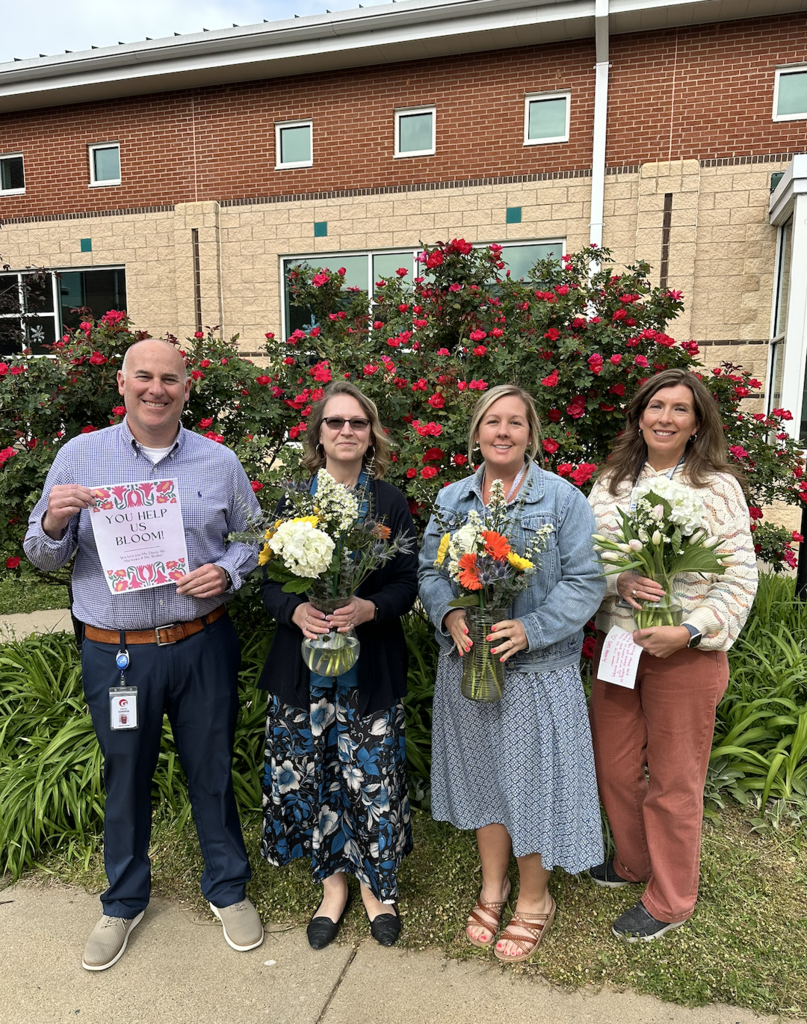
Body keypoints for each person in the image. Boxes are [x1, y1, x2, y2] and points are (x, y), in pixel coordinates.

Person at [24, 338, 264, 971]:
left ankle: (227, 888)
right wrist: (52, 521)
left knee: (210, 766)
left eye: (170, 379)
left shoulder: (219, 462)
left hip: (200, 643)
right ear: (123, 384)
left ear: (187, 388)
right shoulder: (80, 456)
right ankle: (124, 900)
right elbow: (41, 553)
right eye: (144, 377)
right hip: (118, 653)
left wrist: (228, 573)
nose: (157, 389)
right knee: (124, 772)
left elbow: (254, 539)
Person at [418, 384, 605, 962]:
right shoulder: (453, 499)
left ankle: (534, 898)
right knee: (484, 783)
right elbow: (429, 568)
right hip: (470, 670)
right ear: (476, 433)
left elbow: (586, 580)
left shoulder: (560, 499)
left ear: (532, 434)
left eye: (515, 423)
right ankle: (492, 886)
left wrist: (534, 628)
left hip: (536, 672)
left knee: (532, 787)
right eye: (492, 422)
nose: (503, 432)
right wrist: (448, 613)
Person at [587, 368, 758, 942]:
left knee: (675, 780)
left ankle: (670, 897)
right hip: (620, 648)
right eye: (656, 406)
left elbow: (740, 578)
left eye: (679, 409)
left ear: (696, 423)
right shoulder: (610, 482)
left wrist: (688, 630)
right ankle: (634, 863)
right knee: (613, 767)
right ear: (638, 415)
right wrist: (620, 582)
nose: (665, 417)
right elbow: (586, 564)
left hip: (685, 654)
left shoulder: (717, 487)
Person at [258, 381, 417, 949]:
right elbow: (266, 583)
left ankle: (378, 890)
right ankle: (332, 888)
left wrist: (371, 606)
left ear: (371, 435)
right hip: (303, 673)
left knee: (372, 779)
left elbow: (408, 581)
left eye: (357, 423)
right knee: (315, 778)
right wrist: (295, 609)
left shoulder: (389, 501)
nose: (346, 431)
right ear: (318, 435)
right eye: (335, 422)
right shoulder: (293, 500)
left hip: (367, 671)